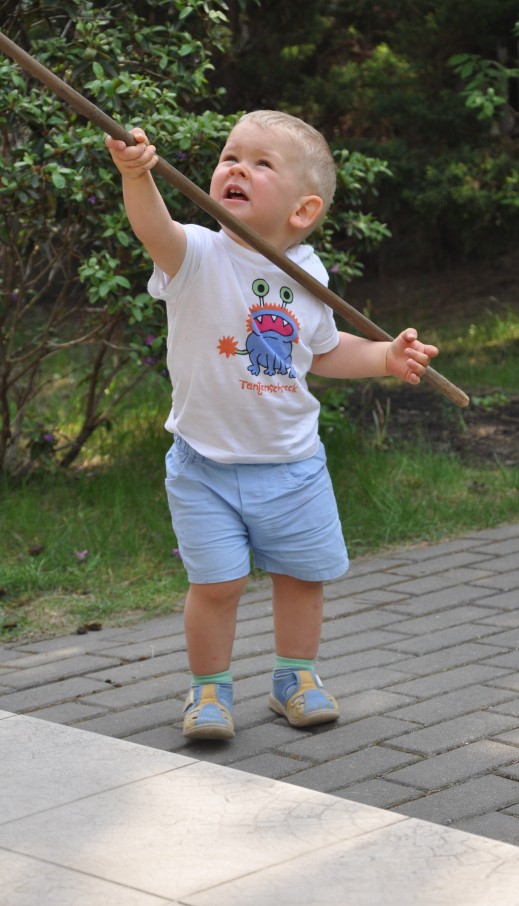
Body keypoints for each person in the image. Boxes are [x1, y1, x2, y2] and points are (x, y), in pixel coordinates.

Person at [105, 110, 439, 742]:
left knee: (302, 576)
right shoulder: (196, 254)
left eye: (262, 164)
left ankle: (296, 677)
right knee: (217, 583)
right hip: (205, 465)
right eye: (232, 156)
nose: (237, 168)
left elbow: (321, 350)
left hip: (292, 465)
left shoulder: (308, 275)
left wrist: (384, 357)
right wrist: (135, 175)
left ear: (303, 210)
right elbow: (152, 227)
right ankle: (209, 690)